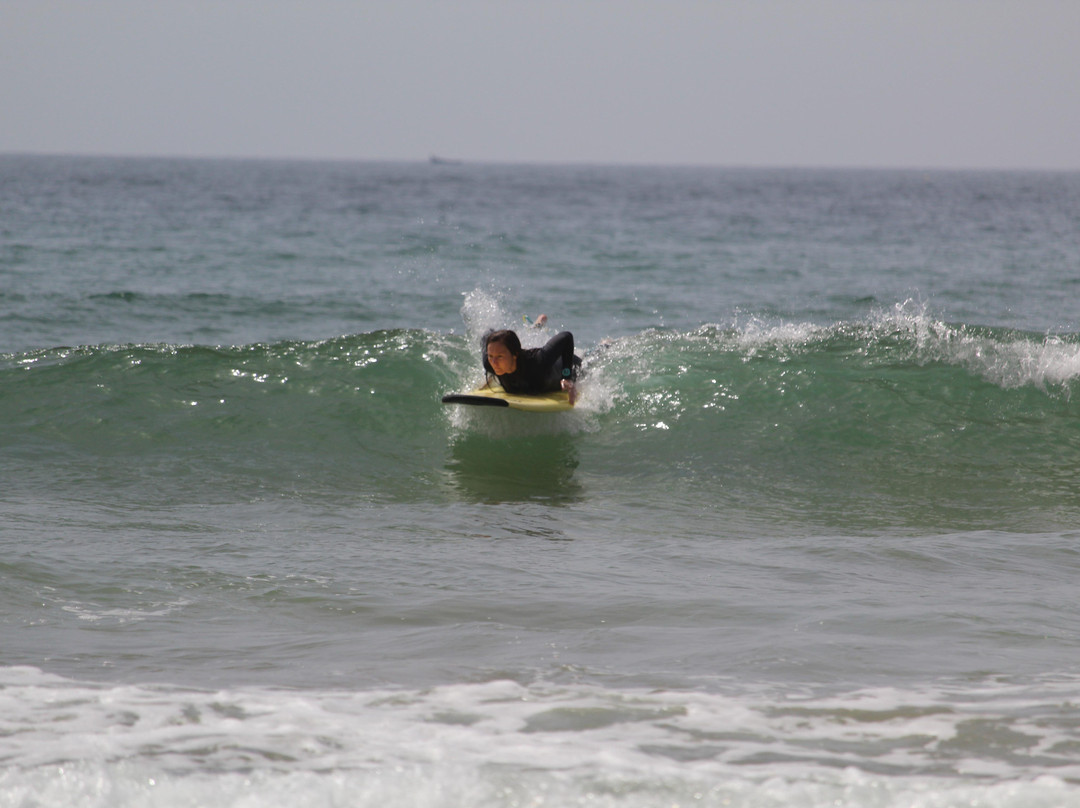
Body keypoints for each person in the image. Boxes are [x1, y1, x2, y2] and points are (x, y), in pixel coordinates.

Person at [483, 326, 581, 405]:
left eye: (500, 356)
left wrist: (566, 377)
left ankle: (538, 325)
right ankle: (538, 324)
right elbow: (486, 336)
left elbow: (566, 337)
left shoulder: (537, 363)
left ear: (515, 354)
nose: (494, 363)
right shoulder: (489, 364)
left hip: (573, 366)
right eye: (490, 356)